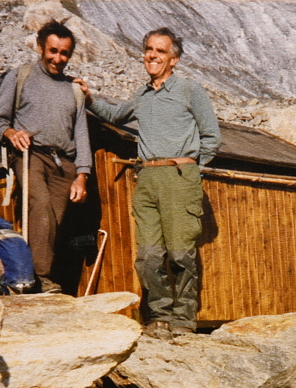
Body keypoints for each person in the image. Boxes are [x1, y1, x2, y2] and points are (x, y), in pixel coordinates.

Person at [81, 27, 221, 338]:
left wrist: (193, 170)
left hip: (179, 177)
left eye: (160, 51)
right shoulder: (142, 96)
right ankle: (159, 315)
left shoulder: (189, 90)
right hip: (147, 178)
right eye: (149, 49)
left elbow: (212, 136)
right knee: (148, 256)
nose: (152, 55)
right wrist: (89, 98)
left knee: (181, 253)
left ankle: (184, 319)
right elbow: (115, 114)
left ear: (174, 59)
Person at [0, 20, 90, 294]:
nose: (58, 58)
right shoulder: (21, 76)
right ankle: (40, 278)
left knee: (53, 221)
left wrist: (82, 175)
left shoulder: (74, 90)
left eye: (64, 53)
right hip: (31, 155)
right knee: (40, 206)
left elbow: (81, 134)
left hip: (64, 164)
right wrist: (10, 132)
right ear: (40, 47)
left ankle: (31, 275)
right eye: (52, 50)